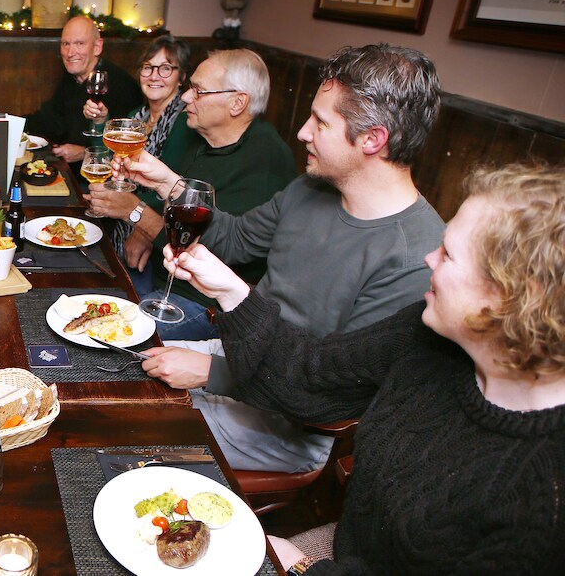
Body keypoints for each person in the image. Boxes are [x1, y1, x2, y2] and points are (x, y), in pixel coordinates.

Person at [166, 163, 565, 574]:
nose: (429, 257)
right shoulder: (428, 334)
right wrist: (231, 292)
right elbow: (308, 376)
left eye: (449, 253)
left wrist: (303, 567)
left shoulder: (543, 496)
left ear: (511, 297)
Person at [126, 44, 446, 473]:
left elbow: (324, 394)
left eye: (321, 122)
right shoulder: (310, 189)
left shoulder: (415, 259)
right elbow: (235, 240)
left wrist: (212, 372)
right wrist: (167, 182)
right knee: (110, 366)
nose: (302, 132)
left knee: (126, 429)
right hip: (237, 355)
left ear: (373, 139)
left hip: (291, 423)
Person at [121, 48, 295, 336]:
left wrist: (138, 218)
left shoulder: (266, 160)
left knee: (120, 336)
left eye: (199, 91)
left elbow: (223, 249)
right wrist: (141, 229)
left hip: (202, 302)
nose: (187, 97)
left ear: (237, 102)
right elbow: (169, 202)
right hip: (160, 274)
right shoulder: (195, 133)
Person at [24, 15, 141, 169]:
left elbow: (128, 151)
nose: (70, 52)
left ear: (97, 47)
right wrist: (4, 121)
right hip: (68, 170)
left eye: (79, 43)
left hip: (100, 180)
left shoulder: (121, 85)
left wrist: (84, 153)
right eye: (66, 44)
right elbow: (48, 121)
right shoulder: (72, 79)